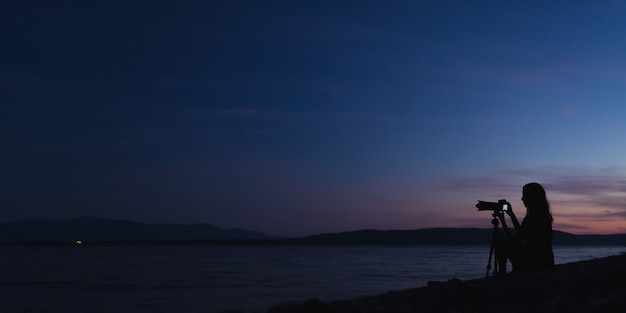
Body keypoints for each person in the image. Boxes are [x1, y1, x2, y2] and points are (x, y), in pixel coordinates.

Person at [497, 182, 555, 273]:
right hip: (546, 260)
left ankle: (502, 273)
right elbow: (521, 233)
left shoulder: (533, 217)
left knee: (501, 243)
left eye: (524, 195)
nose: (522, 199)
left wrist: (504, 222)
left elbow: (515, 239)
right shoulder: (543, 216)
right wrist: (511, 216)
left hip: (535, 262)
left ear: (531, 197)